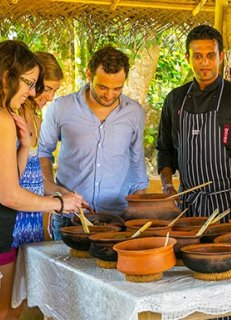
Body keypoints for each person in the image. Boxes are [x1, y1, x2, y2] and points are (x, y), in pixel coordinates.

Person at [0, 40, 83, 320]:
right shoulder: (6, 116)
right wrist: (58, 204)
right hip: (11, 221)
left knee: (16, 306)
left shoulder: (24, 117)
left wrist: (60, 193)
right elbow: (10, 192)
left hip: (22, 220)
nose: (42, 95)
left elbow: (24, 175)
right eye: (36, 85)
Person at [156, 25, 231, 227]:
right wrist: (167, 186)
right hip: (186, 209)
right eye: (197, 56)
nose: (204, 63)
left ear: (221, 56)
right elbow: (165, 149)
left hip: (229, 208)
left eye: (210, 55)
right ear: (187, 57)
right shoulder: (175, 99)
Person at [39, 46, 149, 240]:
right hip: (69, 216)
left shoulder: (134, 112)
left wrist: (140, 202)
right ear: (89, 74)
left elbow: (136, 158)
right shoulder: (61, 108)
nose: (109, 95)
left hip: (117, 216)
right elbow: (43, 152)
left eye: (117, 88)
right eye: (102, 87)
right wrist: (55, 193)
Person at [12, 52, 69, 249]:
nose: (51, 97)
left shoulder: (37, 120)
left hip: (32, 223)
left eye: (55, 91)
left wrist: (64, 194)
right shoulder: (10, 117)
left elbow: (33, 178)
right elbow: (10, 185)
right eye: (47, 89)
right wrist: (58, 204)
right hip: (11, 221)